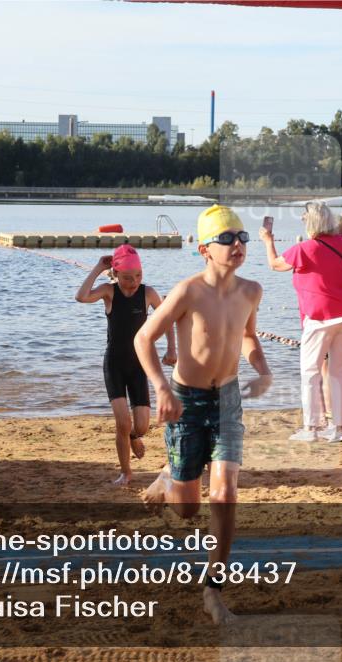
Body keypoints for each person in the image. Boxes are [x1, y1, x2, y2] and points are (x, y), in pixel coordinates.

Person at [136, 204, 272, 625]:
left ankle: (213, 590)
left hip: (227, 398)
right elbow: (144, 339)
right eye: (227, 239)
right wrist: (160, 388)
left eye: (242, 238)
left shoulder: (251, 291)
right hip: (186, 401)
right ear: (203, 248)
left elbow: (247, 337)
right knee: (187, 510)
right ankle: (167, 478)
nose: (238, 246)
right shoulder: (187, 291)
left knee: (227, 492)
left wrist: (263, 370)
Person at [75, 244, 176, 486]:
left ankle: (132, 437)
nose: (133, 282)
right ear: (117, 274)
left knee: (140, 427)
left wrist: (172, 348)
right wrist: (99, 268)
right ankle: (126, 473)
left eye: (138, 276)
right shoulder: (109, 292)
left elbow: (167, 320)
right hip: (115, 364)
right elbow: (81, 296)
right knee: (122, 422)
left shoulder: (148, 293)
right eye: (128, 277)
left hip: (139, 365)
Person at [260, 201, 342, 443]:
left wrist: (267, 240)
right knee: (339, 371)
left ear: (311, 223)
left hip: (319, 316)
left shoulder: (305, 248)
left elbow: (275, 265)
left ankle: (312, 427)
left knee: (310, 371)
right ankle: (338, 427)